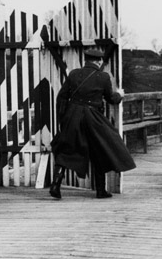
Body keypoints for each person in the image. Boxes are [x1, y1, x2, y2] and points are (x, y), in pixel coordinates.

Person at [49, 46, 136, 199]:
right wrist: (120, 94)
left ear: (86, 60)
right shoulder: (103, 77)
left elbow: (61, 97)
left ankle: (56, 184)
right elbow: (111, 99)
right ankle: (101, 191)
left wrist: (64, 117)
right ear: (99, 61)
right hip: (92, 117)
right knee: (100, 149)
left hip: (73, 116)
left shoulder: (74, 74)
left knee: (67, 149)